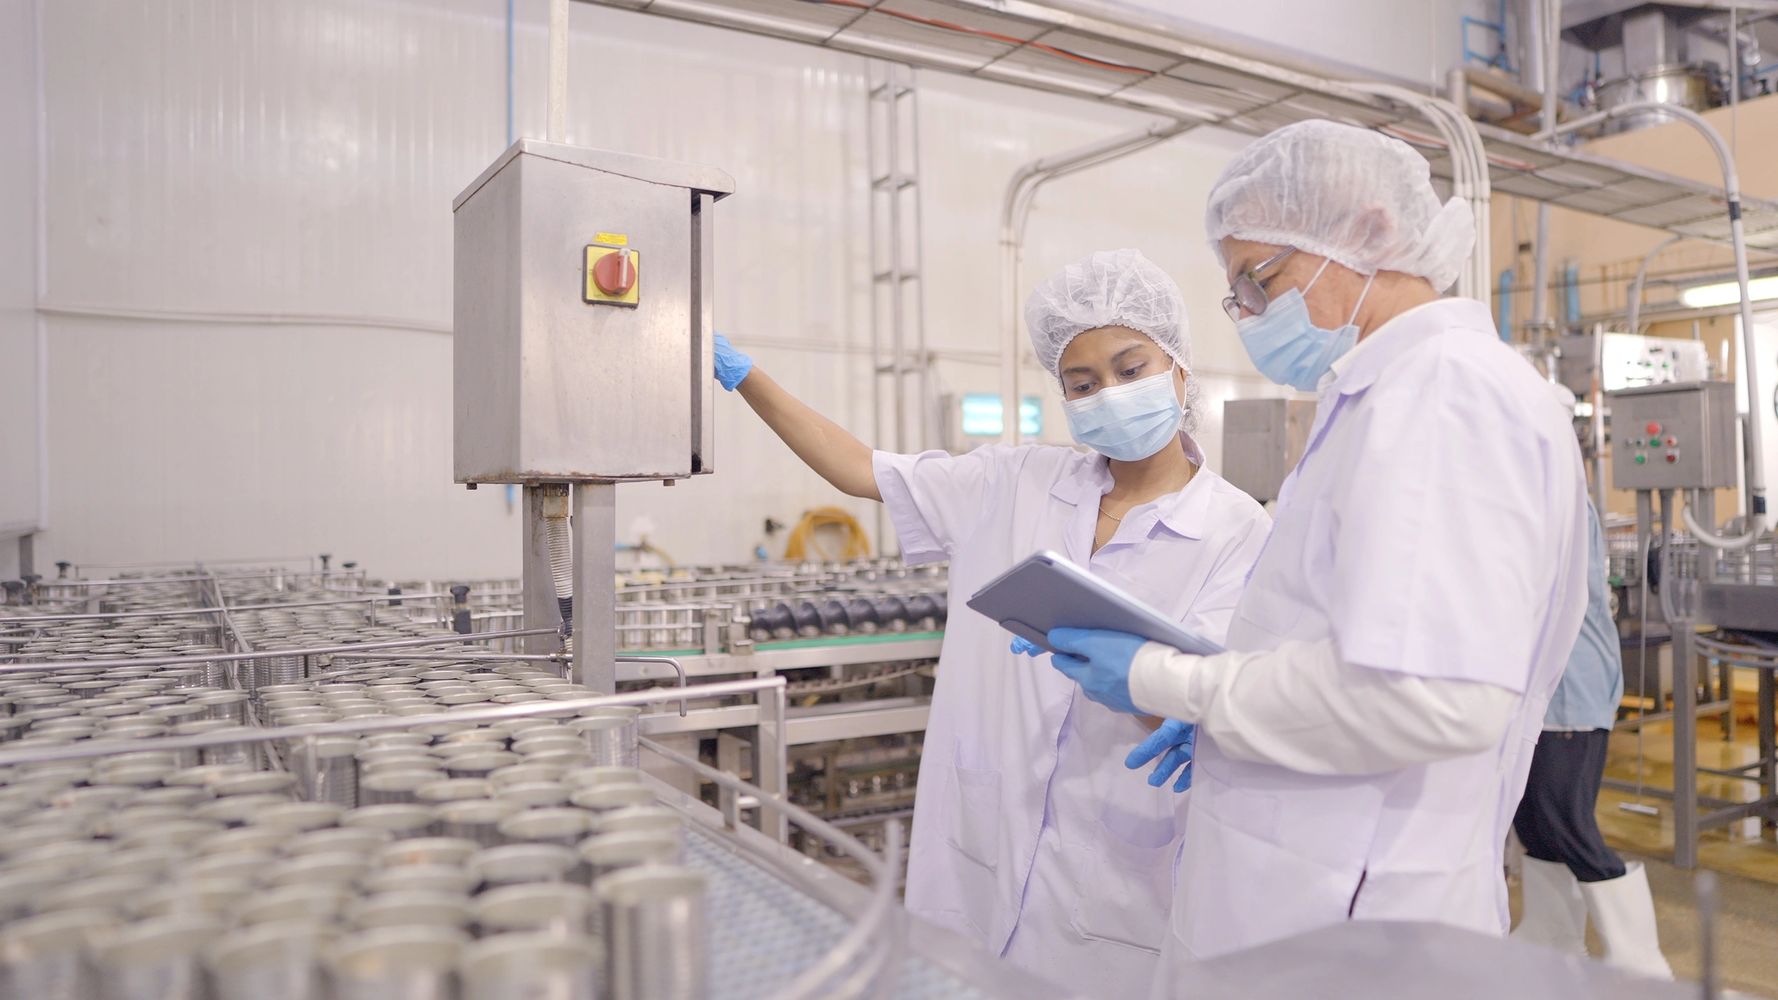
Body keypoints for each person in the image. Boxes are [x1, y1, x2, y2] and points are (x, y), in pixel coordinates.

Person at [1027, 120, 1593, 979]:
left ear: (1368, 232)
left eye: (1262, 281)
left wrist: (1163, 678)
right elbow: (1349, 644)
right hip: (1307, 897)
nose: (1253, 315)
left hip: (1354, 919)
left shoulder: (1445, 395)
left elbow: (1432, 697)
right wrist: (1225, 718)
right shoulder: (1385, 396)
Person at [712, 248, 1269, 996]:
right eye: (1083, 382)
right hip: (979, 847)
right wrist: (746, 377)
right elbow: (858, 468)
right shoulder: (1012, 483)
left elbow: (1208, 691)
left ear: (1178, 366)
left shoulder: (1236, 529)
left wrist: (1163, 699)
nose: (1109, 393)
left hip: (1114, 872)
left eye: (1131, 368)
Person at [1513, 442, 1672, 978]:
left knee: (1565, 819)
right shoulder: (1533, 497)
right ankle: (1550, 935)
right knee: (1533, 818)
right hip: (1538, 695)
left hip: (1571, 693)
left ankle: (1639, 961)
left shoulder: (1556, 503)